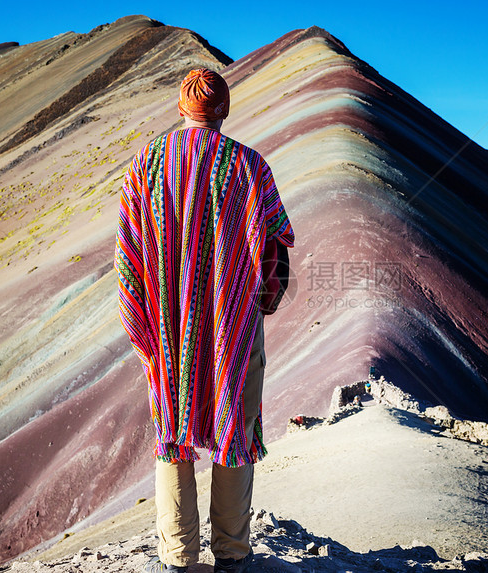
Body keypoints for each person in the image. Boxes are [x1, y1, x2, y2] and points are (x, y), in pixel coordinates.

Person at [115, 68, 294, 573]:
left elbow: (128, 255)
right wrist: (263, 302)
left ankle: (178, 559)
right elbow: (276, 248)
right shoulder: (248, 165)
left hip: (168, 330)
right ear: (225, 111)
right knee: (235, 427)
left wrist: (145, 323)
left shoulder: (145, 165)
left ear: (180, 108)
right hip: (232, 326)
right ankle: (232, 556)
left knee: (172, 432)